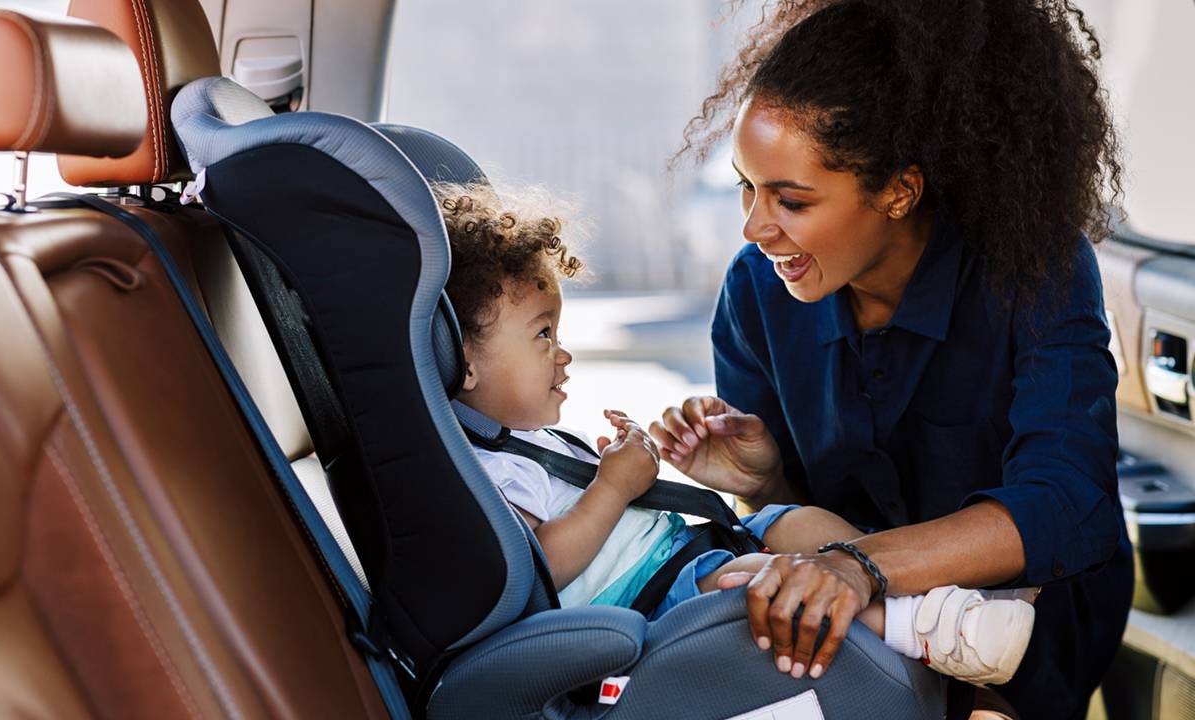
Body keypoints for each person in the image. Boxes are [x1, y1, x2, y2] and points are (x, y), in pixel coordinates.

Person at [650, 1, 1133, 718]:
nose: (754, 228)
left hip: (1025, 623)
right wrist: (763, 481)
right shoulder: (757, 292)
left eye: (790, 199)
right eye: (747, 188)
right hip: (855, 613)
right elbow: (797, 516)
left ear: (899, 191)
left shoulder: (1035, 270)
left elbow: (1063, 505)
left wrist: (862, 567)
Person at [436, 181, 1036, 687]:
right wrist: (612, 488)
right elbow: (540, 568)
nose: (562, 355)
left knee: (792, 521)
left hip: (686, 553)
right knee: (763, 581)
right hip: (651, 599)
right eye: (543, 336)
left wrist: (617, 468)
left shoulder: (532, 444)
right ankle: (924, 633)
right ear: (463, 361)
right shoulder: (483, 471)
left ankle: (928, 598)